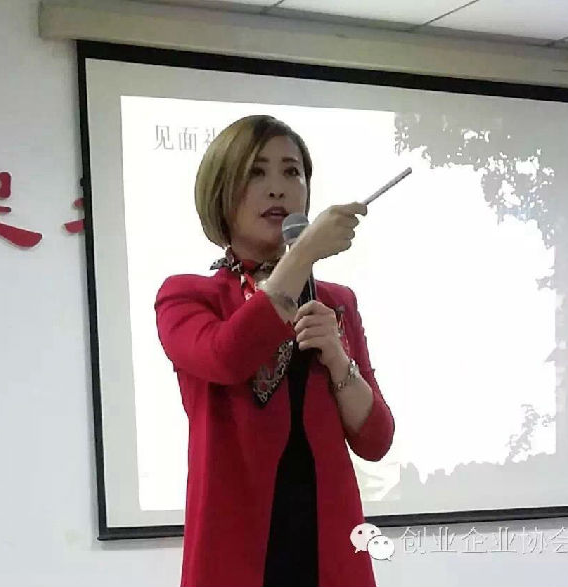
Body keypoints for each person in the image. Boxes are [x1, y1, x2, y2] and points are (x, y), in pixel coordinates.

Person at [154, 114, 395, 587]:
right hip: (235, 555)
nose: (278, 188)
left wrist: (338, 359)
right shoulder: (187, 296)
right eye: (256, 172)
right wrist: (303, 253)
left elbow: (376, 440)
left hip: (329, 552)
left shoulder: (337, 302)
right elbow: (227, 357)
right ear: (222, 190)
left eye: (292, 172)